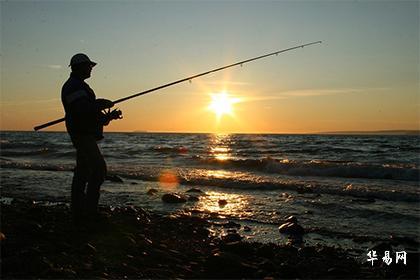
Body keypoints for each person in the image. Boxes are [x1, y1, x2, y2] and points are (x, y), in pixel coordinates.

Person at [61, 53, 121, 222]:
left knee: (83, 172)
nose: (91, 69)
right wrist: (101, 104)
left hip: (84, 133)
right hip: (82, 134)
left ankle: (79, 210)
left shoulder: (79, 85)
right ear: (79, 67)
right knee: (99, 170)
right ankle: (89, 211)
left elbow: (88, 113)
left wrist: (109, 116)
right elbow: (82, 110)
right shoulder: (73, 86)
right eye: (89, 66)